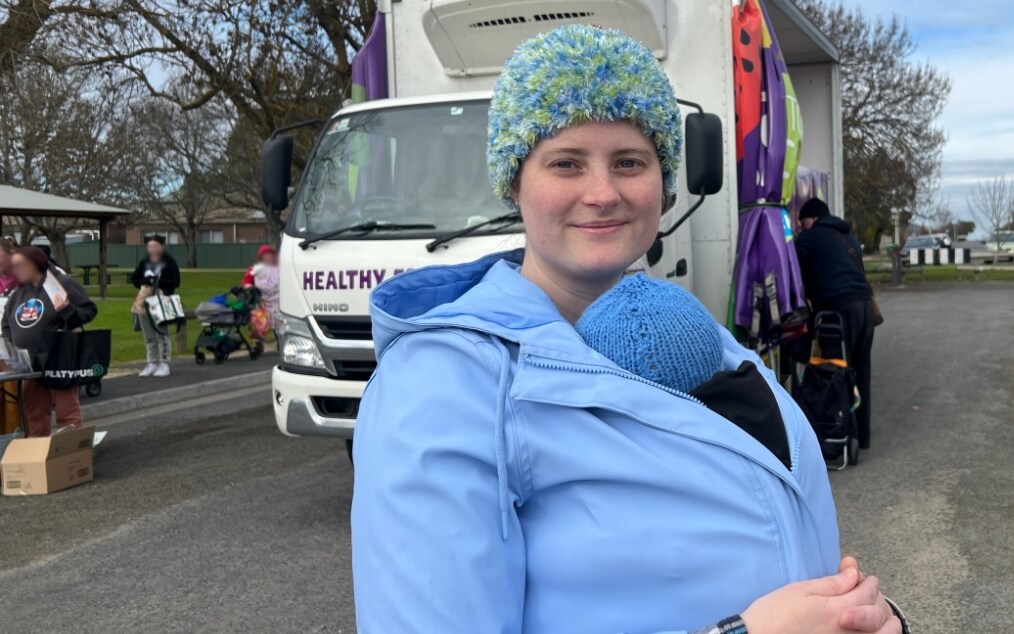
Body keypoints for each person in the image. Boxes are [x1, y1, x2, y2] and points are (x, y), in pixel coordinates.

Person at [351, 25, 903, 634]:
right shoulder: (443, 386)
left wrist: (858, 617)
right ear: (513, 181)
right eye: (566, 163)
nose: (603, 193)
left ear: (663, 182)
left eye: (629, 162)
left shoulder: (696, 337)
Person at [794, 198, 876, 449]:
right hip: (866, 307)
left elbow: (790, 266)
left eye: (802, 222)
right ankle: (860, 436)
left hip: (839, 309)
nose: (801, 227)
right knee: (860, 371)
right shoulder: (847, 236)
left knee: (834, 373)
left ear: (812, 218)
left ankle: (837, 437)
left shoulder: (810, 238)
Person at [2, 246, 97, 437]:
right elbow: (6, 324)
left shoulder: (63, 283)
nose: (16, 270)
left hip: (59, 358)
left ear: (35, 263)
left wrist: (68, 310)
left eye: (20, 265)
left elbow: (89, 311)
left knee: (66, 412)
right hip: (30, 365)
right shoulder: (18, 293)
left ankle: (70, 451)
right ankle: (39, 452)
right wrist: (12, 346)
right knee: (35, 413)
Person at [130, 235, 181, 378]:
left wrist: (158, 283)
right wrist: (145, 282)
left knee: (161, 332)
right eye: (150, 246)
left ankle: (164, 363)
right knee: (148, 333)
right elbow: (135, 279)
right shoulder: (144, 262)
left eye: (155, 246)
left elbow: (175, 281)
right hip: (144, 298)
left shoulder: (169, 262)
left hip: (161, 298)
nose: (152, 249)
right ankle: (152, 361)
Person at [242, 245, 279, 343]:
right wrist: (250, 288)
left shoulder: (279, 269)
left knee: (279, 323)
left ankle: (279, 339)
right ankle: (259, 342)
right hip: (262, 302)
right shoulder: (254, 269)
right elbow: (247, 281)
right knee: (260, 321)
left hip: (277, 301)